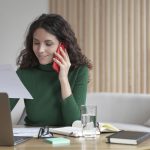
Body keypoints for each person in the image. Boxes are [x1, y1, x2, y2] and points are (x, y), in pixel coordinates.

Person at [10, 13, 92, 126]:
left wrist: (63, 79)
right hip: (33, 138)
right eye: (36, 43)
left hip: (68, 140)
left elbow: (74, 122)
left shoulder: (80, 71)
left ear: (63, 46)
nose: (40, 50)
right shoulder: (24, 72)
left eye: (48, 44)